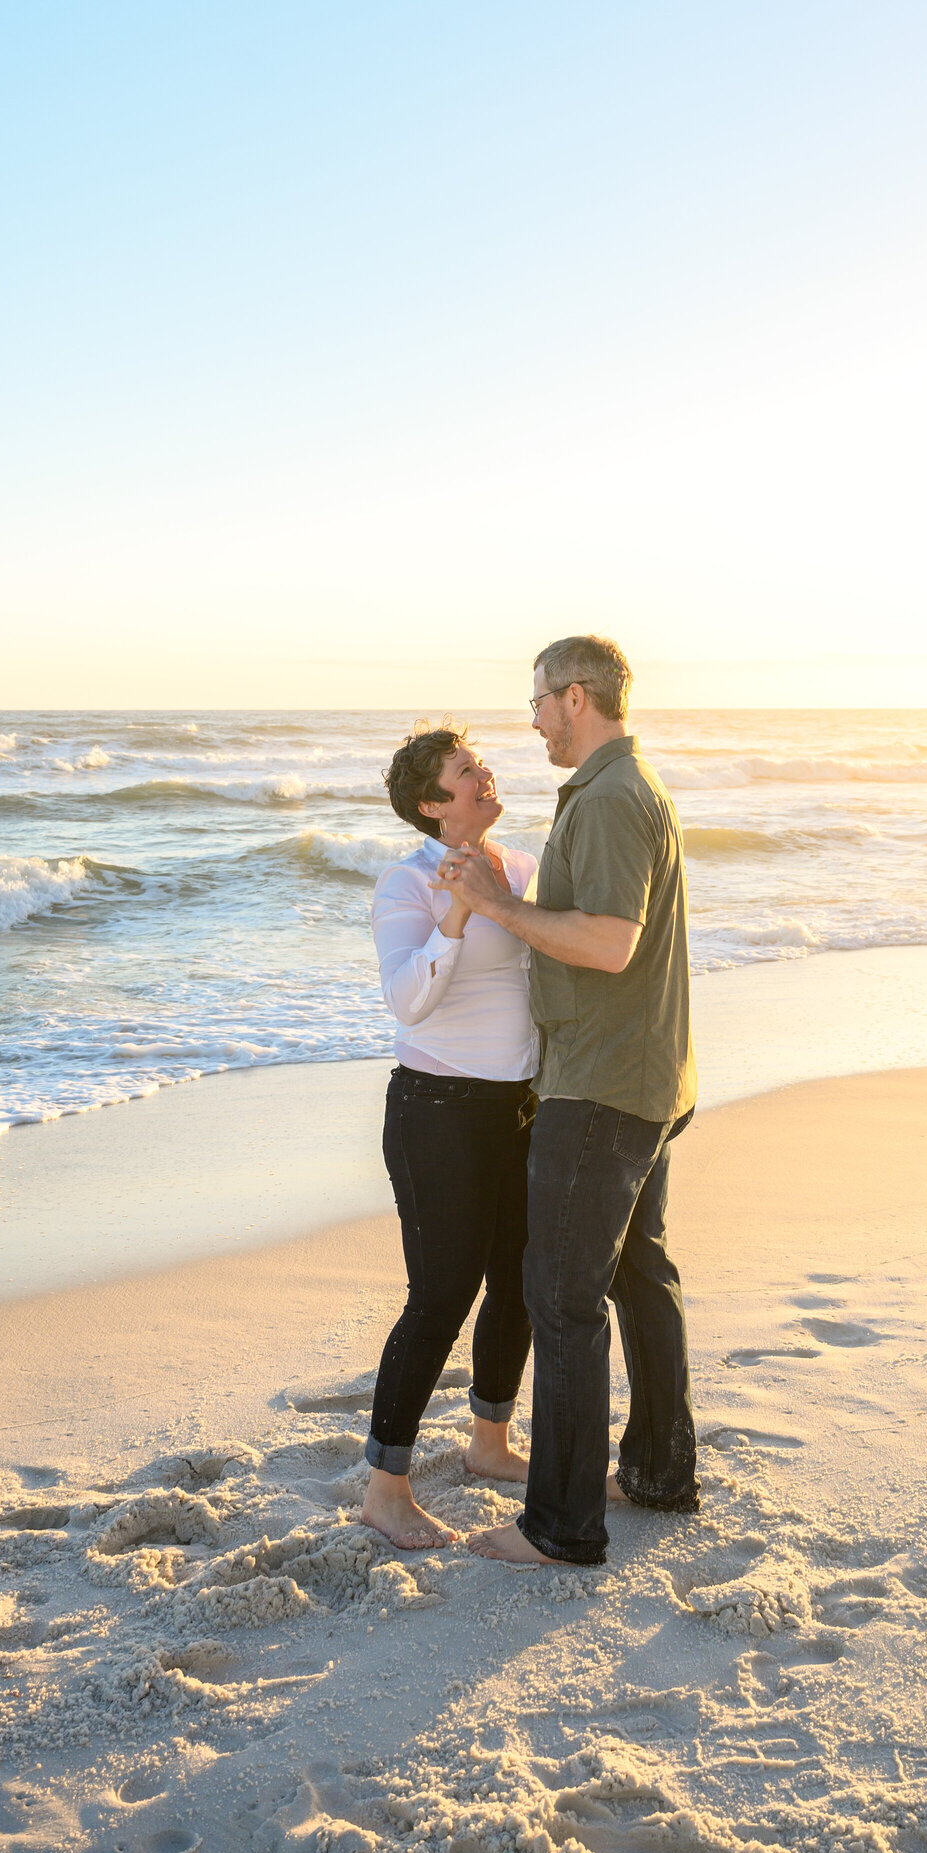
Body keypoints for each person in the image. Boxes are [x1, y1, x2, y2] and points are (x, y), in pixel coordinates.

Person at [435, 634, 698, 1567]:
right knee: (636, 1275)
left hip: (602, 1084)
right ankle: (661, 1474)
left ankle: (561, 1524)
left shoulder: (616, 798)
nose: (535, 719)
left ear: (576, 696)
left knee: (561, 1295)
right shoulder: (621, 789)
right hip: (643, 1072)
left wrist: (500, 908)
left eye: (540, 701)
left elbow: (612, 943)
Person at [361, 724, 540, 1550]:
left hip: (524, 1106)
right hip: (437, 1111)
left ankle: (489, 1444)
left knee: (517, 1281)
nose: (483, 773)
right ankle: (385, 1489)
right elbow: (407, 1000)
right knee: (439, 1297)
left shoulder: (523, 864)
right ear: (434, 805)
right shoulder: (406, 885)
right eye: (466, 771)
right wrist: (462, 910)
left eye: (479, 763)